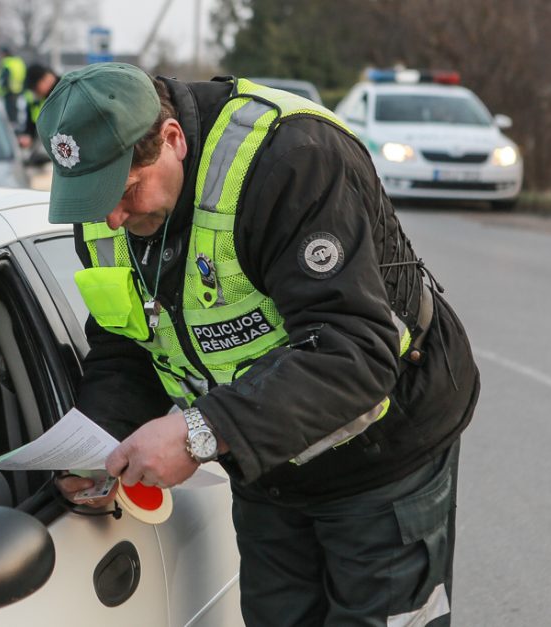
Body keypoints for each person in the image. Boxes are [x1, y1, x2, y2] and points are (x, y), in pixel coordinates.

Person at [38, 63, 479, 626]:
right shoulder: (104, 210)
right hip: (269, 463)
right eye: (89, 198)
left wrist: (201, 431)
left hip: (385, 456)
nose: (111, 216)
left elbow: (355, 352)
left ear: (171, 139)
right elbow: (130, 345)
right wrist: (95, 449)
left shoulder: (290, 161)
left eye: (124, 191)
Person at [17, 63, 59, 149]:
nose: (35, 92)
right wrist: (28, 135)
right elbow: (31, 121)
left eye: (35, 88)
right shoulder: (35, 98)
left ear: (44, 80)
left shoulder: (64, 90)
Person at [0, 45, 26, 127]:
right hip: (18, 90)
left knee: (10, 110)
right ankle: (15, 124)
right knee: (15, 110)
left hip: (9, 91)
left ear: (4, 53)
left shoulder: (7, 63)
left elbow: (4, 78)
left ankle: (12, 125)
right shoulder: (18, 62)